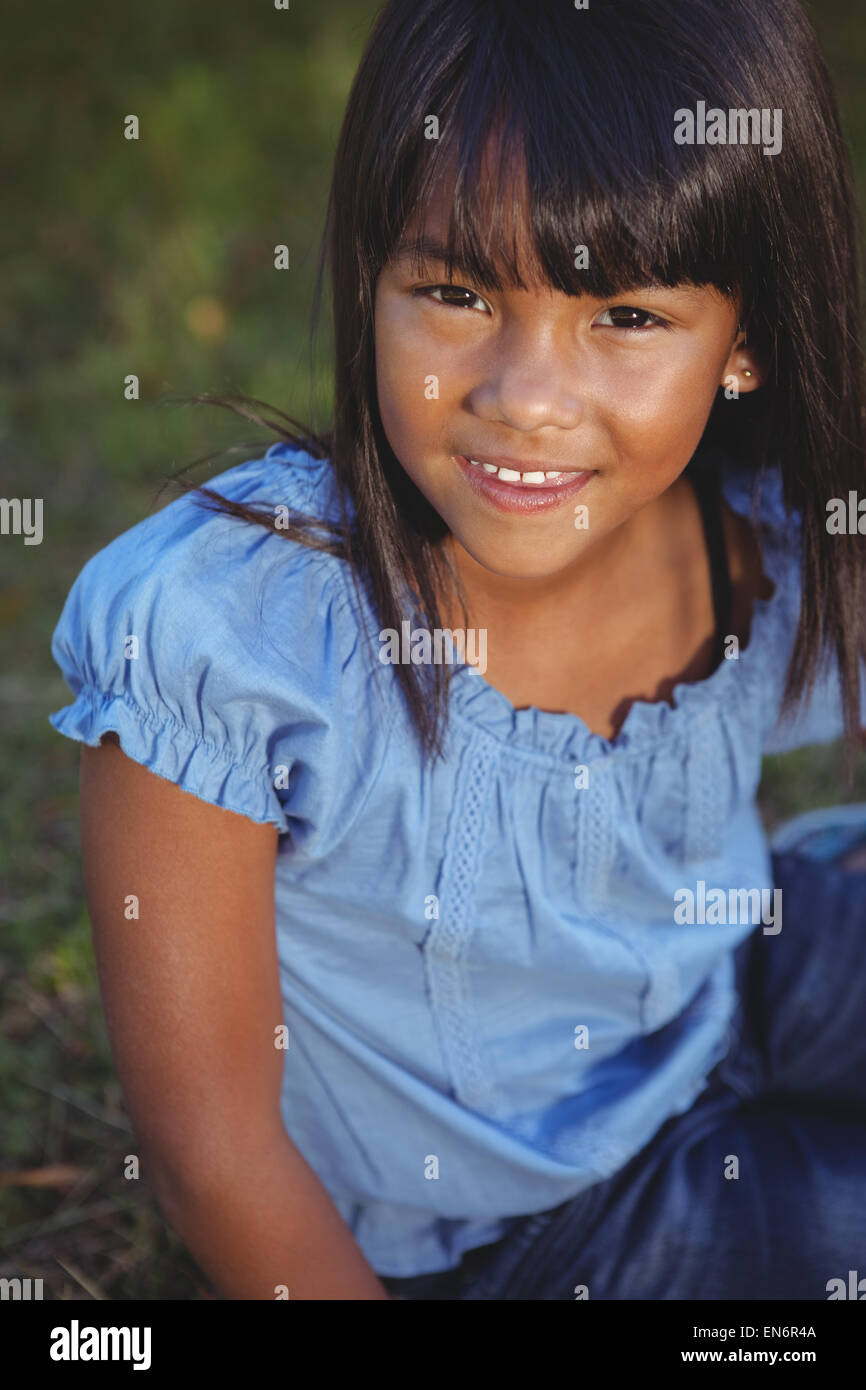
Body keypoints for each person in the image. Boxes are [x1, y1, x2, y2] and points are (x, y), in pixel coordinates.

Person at [49, 0, 866, 1299]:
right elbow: (213, 1152)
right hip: (528, 1220)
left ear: (747, 338)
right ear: (370, 271)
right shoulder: (234, 640)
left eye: (627, 317)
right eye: (452, 291)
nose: (524, 395)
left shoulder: (765, 536)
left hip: (723, 971)